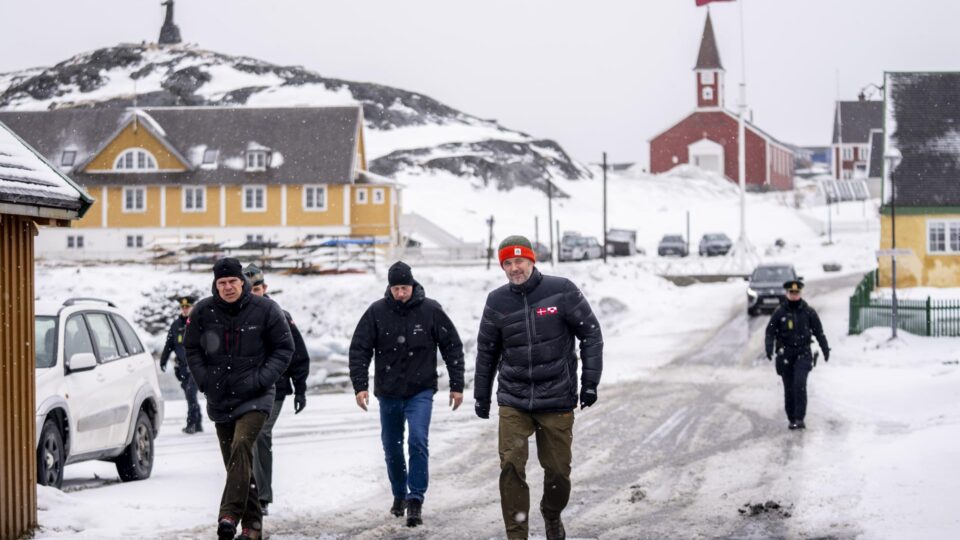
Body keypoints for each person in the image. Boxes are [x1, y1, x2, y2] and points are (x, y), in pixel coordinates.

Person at [474, 235, 603, 540]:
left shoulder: (562, 290)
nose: (514, 268)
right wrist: (481, 395)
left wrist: (589, 383)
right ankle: (516, 534)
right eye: (507, 263)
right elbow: (487, 351)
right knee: (510, 465)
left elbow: (591, 335)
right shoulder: (497, 301)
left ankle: (552, 513)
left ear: (532, 260)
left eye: (519, 261)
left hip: (557, 396)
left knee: (558, 472)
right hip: (514, 398)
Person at [349, 261, 465, 528]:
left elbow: (452, 347)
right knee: (391, 446)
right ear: (389, 288)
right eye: (396, 289)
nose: (401, 293)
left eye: (405, 288)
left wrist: (457, 385)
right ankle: (399, 494)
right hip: (388, 392)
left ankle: (415, 499)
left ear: (413, 285)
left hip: (420, 390)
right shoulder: (376, 312)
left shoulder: (431, 310)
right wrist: (360, 385)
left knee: (417, 440)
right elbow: (359, 349)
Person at [184, 258, 294, 540]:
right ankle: (253, 527)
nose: (228, 287)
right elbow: (191, 349)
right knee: (236, 462)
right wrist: (205, 380)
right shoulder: (203, 311)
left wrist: (260, 379)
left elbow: (284, 348)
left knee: (242, 445)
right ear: (215, 285)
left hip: (256, 395)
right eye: (222, 283)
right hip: (220, 396)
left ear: (242, 282)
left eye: (232, 281)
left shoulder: (266, 309)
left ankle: (229, 515)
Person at [243, 264, 311, 516]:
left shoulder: (279, 315)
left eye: (257, 289)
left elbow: (298, 353)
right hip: (245, 389)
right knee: (242, 439)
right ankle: (247, 492)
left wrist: (300, 389)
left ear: (265, 288)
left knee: (260, 434)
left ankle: (262, 496)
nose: (254, 294)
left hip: (276, 387)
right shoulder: (236, 317)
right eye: (250, 290)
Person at [765, 279, 830, 430]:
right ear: (787, 293)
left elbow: (819, 332)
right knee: (789, 388)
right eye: (791, 292)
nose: (794, 295)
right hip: (785, 354)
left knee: (799, 384)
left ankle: (800, 418)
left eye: (796, 292)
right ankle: (792, 418)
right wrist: (769, 347)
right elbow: (770, 332)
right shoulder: (780, 312)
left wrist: (825, 348)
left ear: (800, 293)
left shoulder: (808, 312)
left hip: (803, 353)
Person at [160, 295, 203, 434]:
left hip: (196, 366)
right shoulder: (176, 325)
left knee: (191, 393)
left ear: (192, 307)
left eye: (187, 307)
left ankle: (191, 424)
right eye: (183, 307)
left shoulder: (199, 322)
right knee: (190, 395)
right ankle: (198, 422)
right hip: (182, 368)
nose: (185, 309)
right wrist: (163, 360)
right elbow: (169, 345)